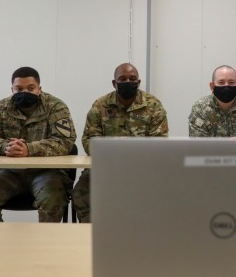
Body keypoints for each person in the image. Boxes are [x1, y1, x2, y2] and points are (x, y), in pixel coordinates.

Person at [0, 67, 76, 222]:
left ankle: (47, 245)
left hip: (46, 172)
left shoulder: (55, 106)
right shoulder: (1, 107)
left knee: (53, 199)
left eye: (30, 88)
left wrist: (29, 149)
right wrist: (6, 146)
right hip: (9, 172)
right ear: (12, 89)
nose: (24, 92)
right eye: (19, 89)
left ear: (39, 89)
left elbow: (65, 141)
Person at [72, 63, 168, 223]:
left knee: (161, 194)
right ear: (114, 83)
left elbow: (160, 141)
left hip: (142, 168)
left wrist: (131, 150)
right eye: (122, 79)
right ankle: (90, 237)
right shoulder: (100, 105)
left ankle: (143, 238)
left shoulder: (153, 105)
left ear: (138, 82)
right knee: (81, 194)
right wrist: (113, 149)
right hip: (105, 167)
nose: (128, 82)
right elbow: (88, 140)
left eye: (132, 79)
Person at [189, 65, 236, 137]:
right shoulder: (200, 108)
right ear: (212, 86)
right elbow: (199, 146)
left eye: (231, 82)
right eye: (221, 82)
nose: (226, 86)